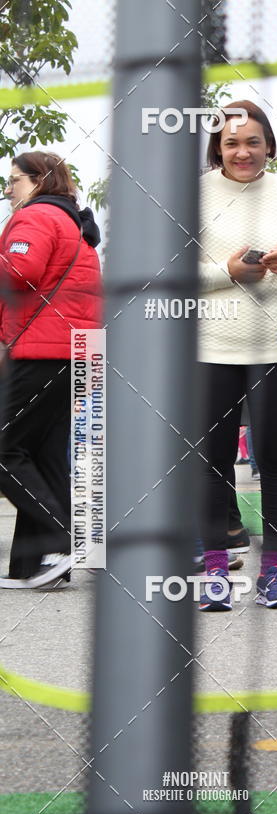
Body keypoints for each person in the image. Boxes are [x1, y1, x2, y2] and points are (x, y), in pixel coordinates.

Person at [197, 100, 277, 611]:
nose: (243, 151)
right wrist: (228, 270)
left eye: (253, 141)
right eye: (232, 142)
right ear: (218, 148)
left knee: (276, 464)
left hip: (275, 352)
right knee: (211, 465)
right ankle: (213, 573)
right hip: (207, 351)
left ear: (269, 145)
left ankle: (273, 571)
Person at [0, 151, 102, 588]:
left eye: (14, 180)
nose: (7, 190)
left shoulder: (36, 216)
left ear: (39, 181)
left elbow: (20, 273)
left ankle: (64, 538)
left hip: (43, 349)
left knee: (4, 450)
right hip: (77, 349)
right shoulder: (73, 223)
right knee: (41, 453)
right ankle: (35, 565)